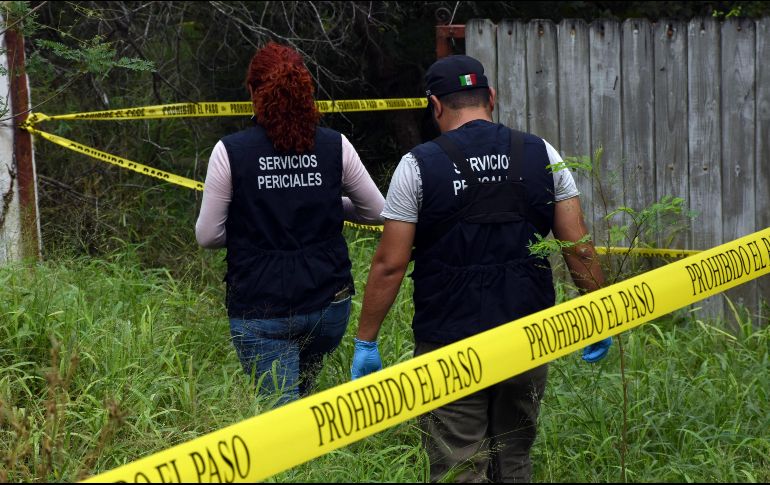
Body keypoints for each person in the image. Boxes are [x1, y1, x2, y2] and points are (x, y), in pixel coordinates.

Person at [350, 54, 612, 482]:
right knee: (514, 458)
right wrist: (599, 316)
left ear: (435, 105)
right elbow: (578, 246)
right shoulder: (542, 153)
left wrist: (366, 341)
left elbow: (389, 265)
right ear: (491, 96)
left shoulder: (417, 165)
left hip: (448, 343)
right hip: (528, 336)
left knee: (459, 467)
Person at [196, 42, 384, 406]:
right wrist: (330, 205)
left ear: (252, 91)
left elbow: (208, 235)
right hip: (328, 305)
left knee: (281, 415)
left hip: (261, 309)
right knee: (303, 399)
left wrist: (249, 218)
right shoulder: (335, 145)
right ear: (305, 92)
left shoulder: (230, 152)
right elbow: (376, 211)